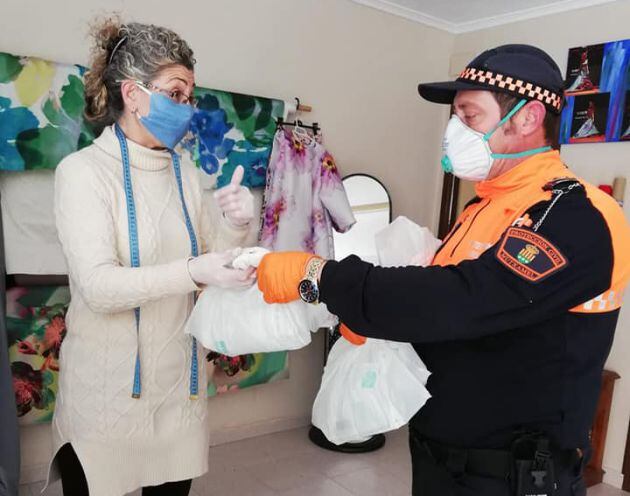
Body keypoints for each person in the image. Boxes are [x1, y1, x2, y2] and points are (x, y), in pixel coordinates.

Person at [256, 44, 630, 496]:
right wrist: (376, 321)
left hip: (511, 474)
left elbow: (462, 300)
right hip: (442, 453)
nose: (454, 131)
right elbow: (443, 306)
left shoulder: (577, 215)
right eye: (455, 117)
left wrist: (320, 276)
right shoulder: (485, 203)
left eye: (469, 115)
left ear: (528, 118)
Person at [50, 18, 255, 496]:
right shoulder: (82, 174)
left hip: (178, 396)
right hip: (104, 402)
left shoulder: (184, 174)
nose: (187, 107)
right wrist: (192, 271)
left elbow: (215, 266)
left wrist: (236, 224)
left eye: (190, 95)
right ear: (133, 94)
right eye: (175, 93)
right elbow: (99, 288)